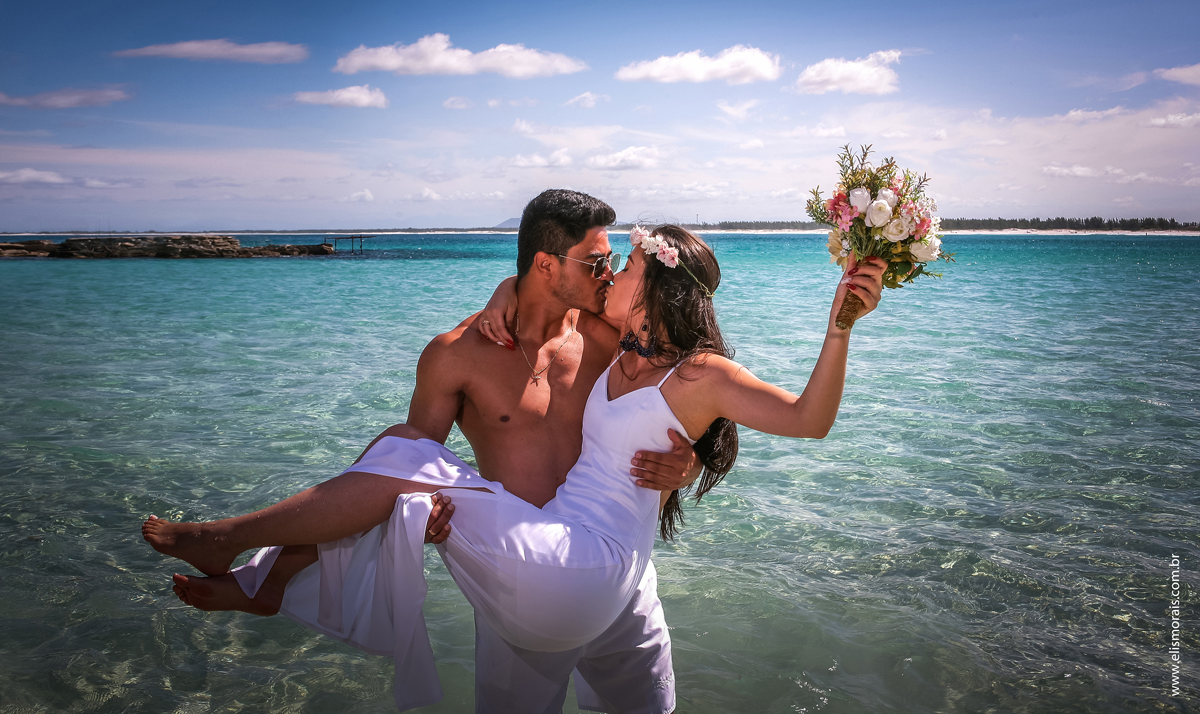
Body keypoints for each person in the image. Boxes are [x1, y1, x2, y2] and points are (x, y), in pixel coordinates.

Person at [143, 216, 886, 712]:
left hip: (598, 572)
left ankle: (249, 553)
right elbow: (544, 299)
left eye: (621, 266)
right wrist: (507, 290)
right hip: (551, 560)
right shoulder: (585, 343)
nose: (608, 276)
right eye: (601, 265)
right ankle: (268, 572)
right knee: (402, 457)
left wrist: (838, 331)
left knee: (400, 455)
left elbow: (801, 420)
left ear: (653, 287)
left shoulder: (664, 360)